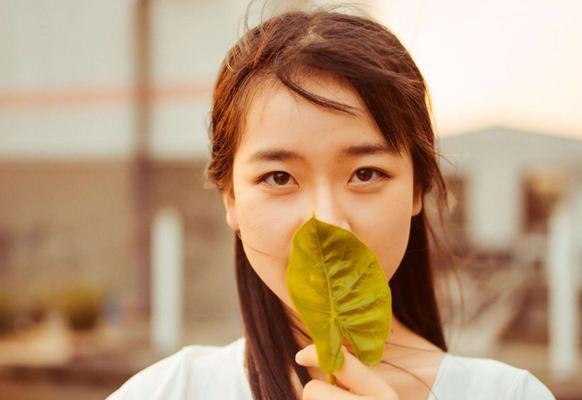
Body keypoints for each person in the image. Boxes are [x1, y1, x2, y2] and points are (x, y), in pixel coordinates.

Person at [107, 5, 556, 400]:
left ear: (418, 189)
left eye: (365, 174)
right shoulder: (169, 391)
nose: (326, 221)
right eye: (279, 177)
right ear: (232, 200)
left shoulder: (510, 394)